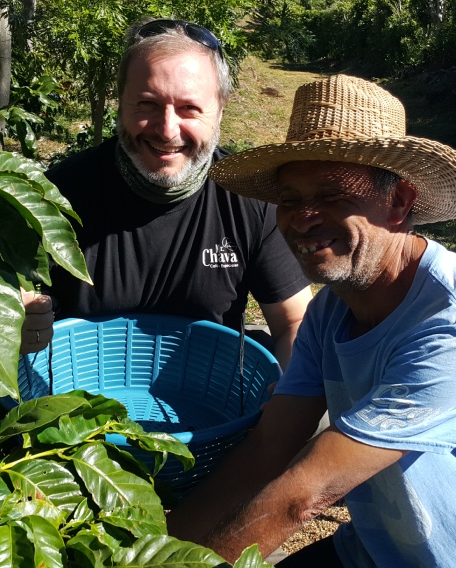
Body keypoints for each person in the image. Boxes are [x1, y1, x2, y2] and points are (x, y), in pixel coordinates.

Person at [166, 75, 456, 566]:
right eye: (289, 199)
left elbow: (303, 497)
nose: (302, 218)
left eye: (334, 195)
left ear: (399, 202)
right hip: (384, 552)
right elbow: (271, 445)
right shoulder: (332, 311)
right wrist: (156, 552)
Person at [20, 18, 312, 368]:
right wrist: (18, 325)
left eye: (189, 108)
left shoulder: (248, 200)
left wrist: (284, 403)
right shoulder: (55, 197)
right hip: (81, 400)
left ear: (220, 110)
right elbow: (16, 310)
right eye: (147, 104)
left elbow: (294, 323)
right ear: (121, 104)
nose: (167, 130)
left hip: (210, 398)